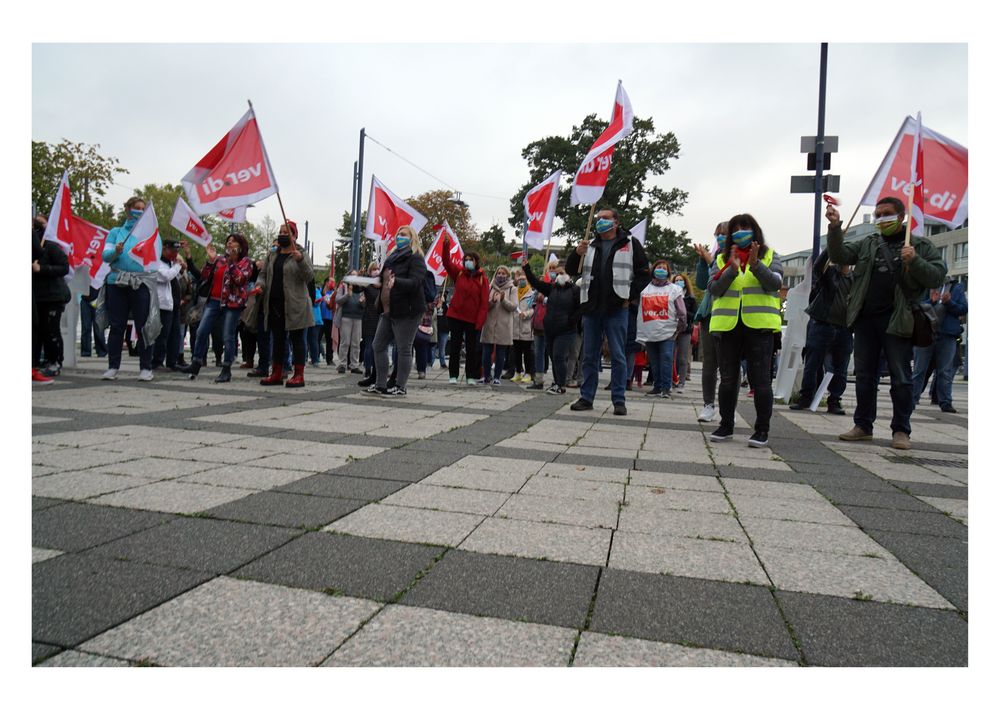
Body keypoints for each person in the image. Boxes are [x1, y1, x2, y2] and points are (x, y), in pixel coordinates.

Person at [826, 197, 946, 450]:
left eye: (887, 214)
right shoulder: (869, 243)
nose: (881, 219)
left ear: (901, 216)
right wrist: (835, 227)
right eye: (878, 214)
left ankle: (901, 430)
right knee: (864, 376)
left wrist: (914, 261)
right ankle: (863, 426)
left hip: (898, 320)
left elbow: (936, 276)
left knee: (901, 377)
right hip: (865, 320)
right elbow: (839, 255)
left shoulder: (919, 245)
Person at [708, 214, 784, 447]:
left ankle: (762, 430)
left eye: (746, 227)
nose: (741, 232)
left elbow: (775, 284)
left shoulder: (771, 256)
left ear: (755, 231)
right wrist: (731, 269)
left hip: (759, 325)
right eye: (736, 228)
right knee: (728, 379)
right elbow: (714, 289)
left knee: (760, 380)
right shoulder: (721, 259)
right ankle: (726, 425)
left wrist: (756, 265)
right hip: (728, 325)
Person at [565, 207, 650, 416]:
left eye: (605, 218)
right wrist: (576, 254)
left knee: (618, 355)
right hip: (592, 307)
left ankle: (619, 400)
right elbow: (571, 270)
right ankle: (586, 397)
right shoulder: (589, 245)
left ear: (616, 222)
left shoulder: (630, 243)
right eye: (598, 218)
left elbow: (643, 274)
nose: (600, 221)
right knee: (589, 356)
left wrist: (629, 297)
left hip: (616, 308)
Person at [96, 197, 162, 382]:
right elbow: (105, 256)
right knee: (117, 326)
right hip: (116, 282)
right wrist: (116, 251)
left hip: (141, 284)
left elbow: (154, 260)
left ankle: (146, 367)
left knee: (144, 326)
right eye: (136, 208)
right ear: (127, 209)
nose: (139, 211)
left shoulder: (151, 235)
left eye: (142, 209)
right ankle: (112, 367)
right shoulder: (115, 232)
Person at [361, 226, 428, 396]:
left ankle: (400, 386)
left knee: (404, 347)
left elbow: (416, 282)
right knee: (378, 345)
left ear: (412, 238)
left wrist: (397, 282)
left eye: (403, 235)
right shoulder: (391, 258)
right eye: (398, 234)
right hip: (389, 309)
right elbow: (383, 279)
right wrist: (376, 282)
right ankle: (380, 384)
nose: (399, 237)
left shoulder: (416, 258)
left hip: (408, 310)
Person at [179, 233, 253, 383]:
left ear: (241, 245)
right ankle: (196, 363)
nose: (230, 244)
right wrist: (211, 261)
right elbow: (204, 277)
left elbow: (239, 280)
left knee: (227, 335)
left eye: (233, 242)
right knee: (201, 331)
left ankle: (226, 369)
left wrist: (231, 263)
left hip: (232, 303)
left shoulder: (246, 262)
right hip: (213, 301)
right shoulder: (220, 260)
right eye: (228, 241)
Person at [790, 248, 853, 414]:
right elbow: (817, 267)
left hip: (844, 328)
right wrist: (830, 248)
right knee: (812, 364)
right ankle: (806, 398)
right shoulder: (830, 273)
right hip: (822, 324)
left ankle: (834, 400)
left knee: (841, 367)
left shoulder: (856, 279)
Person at [255, 220, 315, 387]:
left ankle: (298, 375)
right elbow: (263, 274)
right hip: (274, 303)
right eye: (280, 232)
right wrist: (260, 285)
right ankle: (276, 372)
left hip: (296, 305)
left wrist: (301, 260)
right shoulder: (272, 254)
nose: (281, 235)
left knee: (297, 340)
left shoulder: (301, 253)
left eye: (285, 232)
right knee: (278, 339)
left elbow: (309, 276)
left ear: (294, 236)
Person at [522, 257, 580, 394]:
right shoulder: (552, 288)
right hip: (550, 329)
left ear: (568, 274)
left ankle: (561, 385)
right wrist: (527, 269)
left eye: (562, 273)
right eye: (557, 273)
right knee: (554, 357)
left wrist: (571, 320)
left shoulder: (575, 290)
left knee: (559, 356)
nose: (559, 275)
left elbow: (580, 308)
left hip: (566, 330)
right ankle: (557, 383)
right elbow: (536, 283)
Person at [912, 277, 967, 414]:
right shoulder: (925, 285)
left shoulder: (957, 288)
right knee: (919, 370)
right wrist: (931, 301)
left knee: (945, 371)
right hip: (925, 333)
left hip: (947, 334)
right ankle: (911, 399)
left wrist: (949, 302)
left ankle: (945, 402)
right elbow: (915, 305)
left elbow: (963, 309)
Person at [441, 236, 489, 385]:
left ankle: (470, 376)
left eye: (470, 259)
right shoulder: (459, 273)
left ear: (476, 262)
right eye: (465, 259)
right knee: (454, 347)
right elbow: (446, 263)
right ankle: (453, 375)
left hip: (472, 320)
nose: (467, 261)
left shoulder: (483, 279)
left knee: (471, 349)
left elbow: (484, 302)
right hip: (455, 316)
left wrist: (479, 322)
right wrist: (446, 246)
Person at [692, 224, 728, 422]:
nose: (720, 237)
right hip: (709, 315)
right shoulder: (712, 255)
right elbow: (702, 283)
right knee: (709, 363)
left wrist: (711, 260)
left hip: (728, 315)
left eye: (724, 234)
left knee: (728, 364)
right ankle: (708, 405)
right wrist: (702, 260)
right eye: (717, 234)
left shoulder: (736, 255)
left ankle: (727, 407)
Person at [636, 259, 686, 398]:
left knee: (666, 358)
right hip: (650, 331)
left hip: (668, 331)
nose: (661, 270)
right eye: (659, 267)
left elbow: (681, 310)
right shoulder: (646, 289)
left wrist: (680, 327)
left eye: (664, 268)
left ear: (668, 272)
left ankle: (666, 387)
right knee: (653, 360)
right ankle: (657, 387)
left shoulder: (675, 289)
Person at [33, 215, 71, 377]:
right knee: (38, 331)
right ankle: (38, 361)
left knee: (50, 330)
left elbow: (64, 268)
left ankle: (55, 361)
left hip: (52, 296)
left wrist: (43, 269)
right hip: (36, 296)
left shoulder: (51, 247)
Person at [480, 265, 518, 385]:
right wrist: (492, 301)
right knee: (486, 352)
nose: (501, 275)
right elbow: (484, 305)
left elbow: (514, 306)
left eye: (503, 273)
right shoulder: (490, 287)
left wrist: (503, 300)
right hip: (489, 324)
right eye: (499, 273)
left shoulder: (512, 289)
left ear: (507, 275)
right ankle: (486, 376)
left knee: (501, 353)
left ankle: (497, 377)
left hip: (504, 325)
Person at [151, 240, 184, 372]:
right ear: (164, 248)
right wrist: (178, 266)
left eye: (177, 251)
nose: (175, 254)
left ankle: (172, 361)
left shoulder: (170, 263)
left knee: (175, 334)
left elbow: (175, 278)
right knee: (162, 335)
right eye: (173, 251)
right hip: (162, 304)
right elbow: (166, 276)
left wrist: (179, 268)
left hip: (173, 304)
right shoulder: (156, 262)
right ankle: (157, 361)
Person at [357, 262, 383, 386]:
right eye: (374, 269)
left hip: (381, 318)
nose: (376, 271)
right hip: (369, 318)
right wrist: (359, 277)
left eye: (378, 269)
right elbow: (357, 289)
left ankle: (377, 370)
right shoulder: (367, 284)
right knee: (369, 346)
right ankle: (368, 369)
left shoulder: (383, 284)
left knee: (379, 347)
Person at [335, 270, 365, 373]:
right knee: (345, 342)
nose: (354, 277)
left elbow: (365, 305)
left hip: (358, 318)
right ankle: (342, 364)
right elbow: (338, 300)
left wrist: (362, 302)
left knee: (356, 343)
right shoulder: (343, 286)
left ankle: (354, 365)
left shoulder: (361, 288)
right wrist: (347, 295)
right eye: (352, 275)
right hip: (346, 317)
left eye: (356, 276)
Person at [672, 273, 697, 393]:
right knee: (670, 357)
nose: (678, 282)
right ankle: (671, 380)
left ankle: (681, 381)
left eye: (681, 280)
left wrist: (683, 311)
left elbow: (695, 315)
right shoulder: (670, 295)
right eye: (676, 280)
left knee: (682, 358)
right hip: (671, 330)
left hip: (685, 331)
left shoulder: (690, 299)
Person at [321, 277, 338, 367]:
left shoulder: (334, 293)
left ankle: (329, 359)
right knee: (316, 339)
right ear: (327, 282)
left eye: (334, 282)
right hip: (321, 319)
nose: (333, 284)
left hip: (330, 319)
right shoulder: (321, 291)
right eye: (332, 282)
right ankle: (314, 357)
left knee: (329, 340)